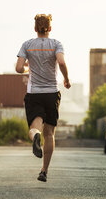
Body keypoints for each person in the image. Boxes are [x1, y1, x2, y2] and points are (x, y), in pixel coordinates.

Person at [15, 14, 71, 182]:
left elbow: (18, 68)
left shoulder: (27, 45)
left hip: (34, 94)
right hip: (52, 93)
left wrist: (28, 67)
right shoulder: (56, 44)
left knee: (35, 128)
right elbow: (61, 63)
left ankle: (35, 137)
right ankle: (44, 171)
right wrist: (66, 79)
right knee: (50, 134)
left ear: (35, 28)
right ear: (50, 28)